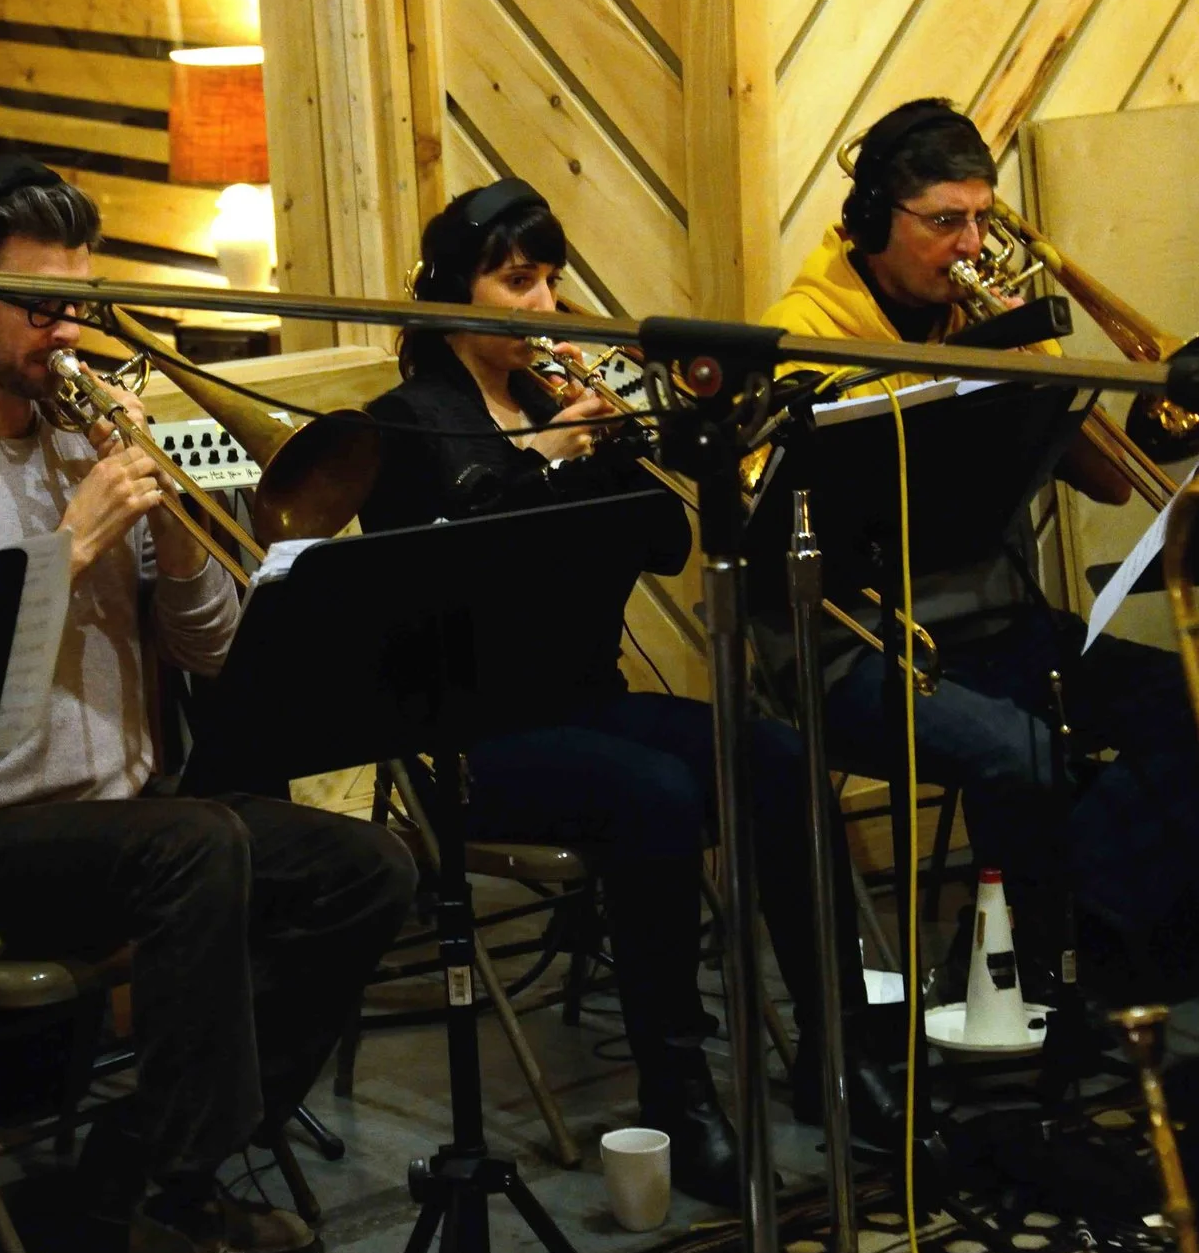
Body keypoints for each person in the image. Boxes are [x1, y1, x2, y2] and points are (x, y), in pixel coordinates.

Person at [0, 154, 415, 1253]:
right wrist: (74, 536)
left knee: (370, 864)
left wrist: (178, 531)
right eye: (41, 306)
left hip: (122, 824)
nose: (67, 330)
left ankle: (132, 1168)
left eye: (79, 304)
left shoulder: (83, 434)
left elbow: (215, 654)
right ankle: (177, 1216)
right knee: (196, 843)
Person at [356, 179, 877, 1199]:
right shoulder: (408, 425)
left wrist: (626, 444)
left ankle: (836, 1050)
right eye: (518, 281)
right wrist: (544, 461)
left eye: (551, 279)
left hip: (586, 698)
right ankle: (677, 1093)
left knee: (778, 754)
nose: (546, 305)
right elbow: (434, 578)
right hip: (475, 729)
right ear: (449, 294)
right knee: (658, 797)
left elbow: (667, 540)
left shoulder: (560, 402)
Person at [759, 100, 1199, 993]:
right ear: (871, 222)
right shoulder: (804, 337)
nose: (973, 247)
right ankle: (1038, 967)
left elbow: (1105, 480)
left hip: (996, 627)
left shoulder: (975, 317)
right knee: (1018, 753)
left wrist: (1034, 361)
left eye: (984, 219)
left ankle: (1096, 938)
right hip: (858, 648)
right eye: (946, 222)